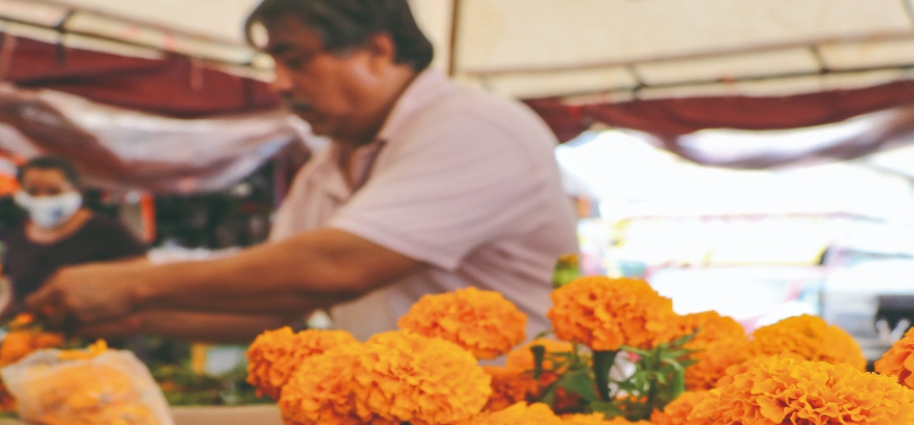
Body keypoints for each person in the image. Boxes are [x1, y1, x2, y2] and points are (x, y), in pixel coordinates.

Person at [25, 0, 579, 344]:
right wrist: (138, 318)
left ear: (377, 51)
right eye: (274, 63)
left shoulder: (474, 127)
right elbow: (279, 305)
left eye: (295, 58)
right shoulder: (331, 164)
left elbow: (338, 267)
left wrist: (131, 282)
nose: (279, 84)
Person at [0, 156, 147, 319]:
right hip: (33, 336)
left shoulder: (107, 232)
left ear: (76, 190)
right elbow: (12, 296)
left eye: (53, 191)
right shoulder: (17, 237)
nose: (43, 199)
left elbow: (142, 280)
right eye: (33, 191)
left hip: (100, 337)